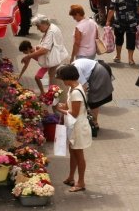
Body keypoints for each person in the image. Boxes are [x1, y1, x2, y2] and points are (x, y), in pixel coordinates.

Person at [55, 64, 92, 192]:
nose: (62, 82)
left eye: (63, 79)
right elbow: (68, 105)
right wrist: (60, 105)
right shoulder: (73, 88)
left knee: (79, 154)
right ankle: (71, 177)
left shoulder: (76, 92)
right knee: (73, 152)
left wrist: (59, 109)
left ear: (67, 78)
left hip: (78, 126)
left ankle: (81, 182)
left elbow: (74, 113)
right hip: (73, 125)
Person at [20, 15, 69, 88]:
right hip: (54, 61)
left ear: (44, 23)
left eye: (38, 26)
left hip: (57, 61)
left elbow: (45, 50)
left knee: (57, 88)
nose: (38, 29)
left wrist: (28, 56)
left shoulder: (51, 32)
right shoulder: (50, 29)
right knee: (53, 86)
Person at [106, 0, 139, 64]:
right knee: (131, 39)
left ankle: (118, 56)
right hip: (133, 21)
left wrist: (108, 20)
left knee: (119, 38)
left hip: (120, 21)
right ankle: (130, 59)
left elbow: (111, 9)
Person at [70, 58, 114, 125]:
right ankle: (94, 121)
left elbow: (84, 87)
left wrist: (81, 101)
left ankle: (94, 123)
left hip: (99, 71)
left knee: (93, 100)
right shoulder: (73, 66)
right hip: (100, 67)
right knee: (92, 99)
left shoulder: (76, 69)